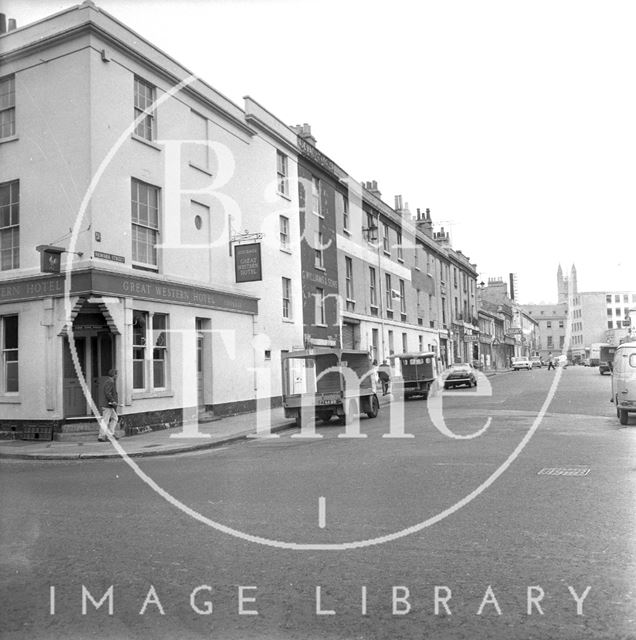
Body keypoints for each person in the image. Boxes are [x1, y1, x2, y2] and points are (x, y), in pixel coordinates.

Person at [99, 368, 120, 441]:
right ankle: (102, 436)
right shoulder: (110, 382)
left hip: (109, 405)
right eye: (116, 374)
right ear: (114, 375)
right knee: (105, 420)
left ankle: (110, 433)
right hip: (107, 405)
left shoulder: (109, 381)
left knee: (115, 418)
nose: (117, 376)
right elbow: (107, 393)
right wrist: (112, 400)